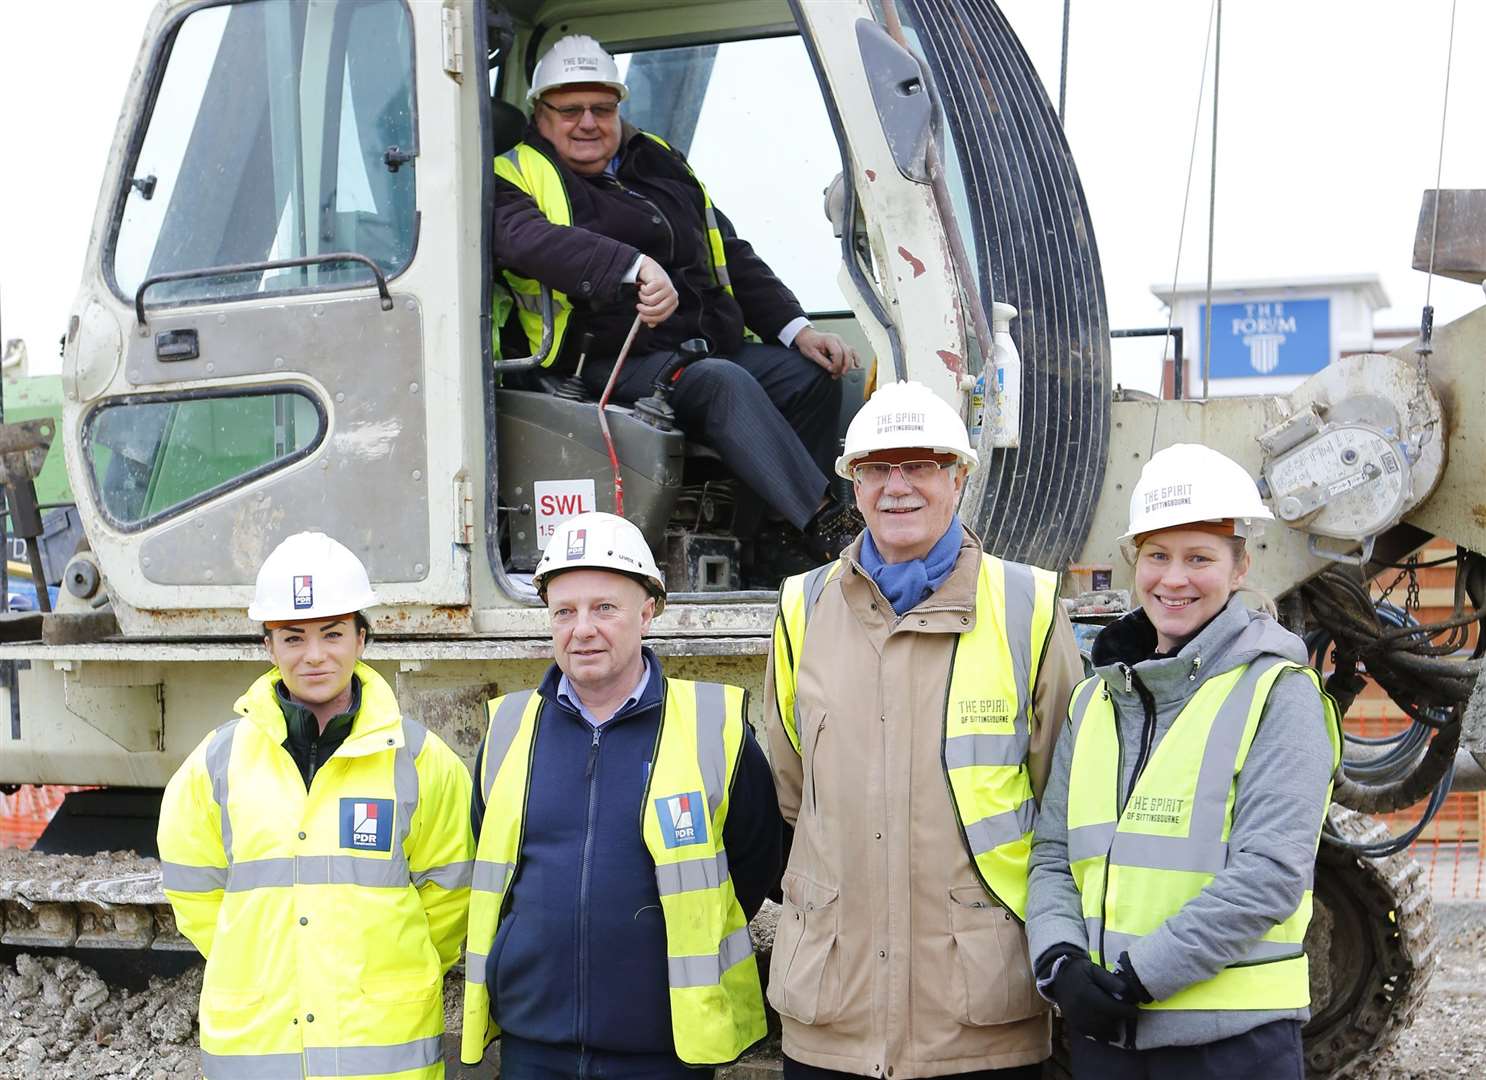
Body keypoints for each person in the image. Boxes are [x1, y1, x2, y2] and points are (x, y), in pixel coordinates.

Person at [765, 380, 1083, 1079]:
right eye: (878, 468)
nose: (897, 486)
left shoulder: (1028, 604)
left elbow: (1062, 800)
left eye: (920, 466)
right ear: (854, 484)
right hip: (833, 1011)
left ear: (958, 477)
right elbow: (793, 792)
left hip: (977, 1014)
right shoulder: (802, 607)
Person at [1025, 443, 1343, 1077]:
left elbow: (1271, 875)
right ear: (1134, 562)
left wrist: (1139, 977)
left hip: (1231, 1049)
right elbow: (1054, 855)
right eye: (1157, 556)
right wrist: (1060, 963)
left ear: (1240, 565)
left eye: (1199, 558)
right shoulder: (1094, 701)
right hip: (1109, 1040)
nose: (1174, 580)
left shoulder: (1278, 694)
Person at [493, 34, 864, 566]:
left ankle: (775, 541)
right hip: (602, 362)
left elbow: (727, 250)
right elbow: (527, 240)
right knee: (720, 384)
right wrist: (631, 266)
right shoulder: (511, 173)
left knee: (809, 379)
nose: (588, 123)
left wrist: (797, 329)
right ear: (539, 113)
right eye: (570, 109)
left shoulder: (660, 160)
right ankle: (831, 523)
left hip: (702, 343)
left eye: (603, 108)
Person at [461, 511, 783, 1078]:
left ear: (648, 610)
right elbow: (490, 861)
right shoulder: (509, 728)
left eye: (605, 608)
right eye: (565, 611)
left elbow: (753, 865)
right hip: (534, 1045)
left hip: (665, 1047)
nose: (582, 628)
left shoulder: (715, 726)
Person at [157, 532, 475, 1079]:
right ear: (268, 646)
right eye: (293, 637)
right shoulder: (217, 762)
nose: (314, 655)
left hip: (381, 1048)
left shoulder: (422, 761)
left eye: (332, 634)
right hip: (259, 1050)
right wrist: (256, 958)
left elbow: (449, 898)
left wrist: (393, 968)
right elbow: (194, 892)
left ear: (361, 639)